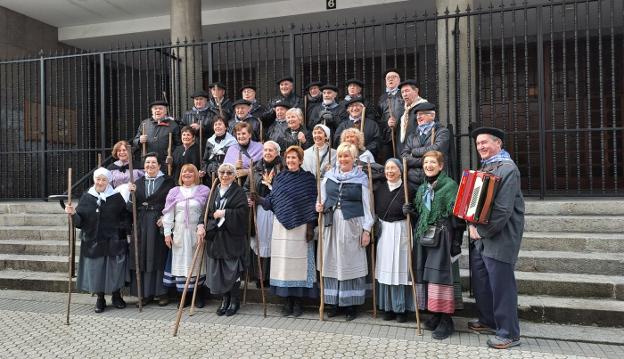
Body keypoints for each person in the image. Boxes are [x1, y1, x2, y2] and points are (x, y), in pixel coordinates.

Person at [467, 127, 525, 349]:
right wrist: (471, 223)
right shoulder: (487, 166)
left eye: (485, 142)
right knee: (482, 282)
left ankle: (509, 333)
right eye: (478, 143)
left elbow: (502, 210)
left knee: (502, 286)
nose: (480, 146)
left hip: (499, 236)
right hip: (481, 235)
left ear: (498, 143)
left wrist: (481, 231)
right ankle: (489, 321)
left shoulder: (508, 168)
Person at [404, 150, 463, 340]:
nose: (428, 166)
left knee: (441, 276)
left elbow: (457, 216)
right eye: (426, 163)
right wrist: (411, 211)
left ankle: (447, 320)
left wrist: (457, 241)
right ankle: (435, 314)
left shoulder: (449, 186)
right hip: (424, 237)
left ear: (441, 166)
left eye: (432, 162)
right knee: (427, 274)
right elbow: (422, 214)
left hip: (443, 237)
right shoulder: (422, 189)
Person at [253, 146, 318, 317]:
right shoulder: (280, 178)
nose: (290, 161)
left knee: (298, 265)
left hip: (302, 227)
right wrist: (258, 199)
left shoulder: (308, 179)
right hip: (281, 228)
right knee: (284, 266)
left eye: (294, 158)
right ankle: (286, 302)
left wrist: (311, 226)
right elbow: (272, 203)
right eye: (288, 158)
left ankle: (298, 303)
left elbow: (312, 203)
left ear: (301, 160)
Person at [316, 142, 373, 321]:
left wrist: (367, 230)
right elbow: (322, 199)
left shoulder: (361, 178)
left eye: (346, 156)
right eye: (340, 156)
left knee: (349, 263)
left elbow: (367, 207)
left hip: (352, 224)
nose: (342, 159)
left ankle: (350, 305)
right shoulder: (329, 176)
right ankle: (334, 303)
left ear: (354, 158)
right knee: (332, 261)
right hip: (331, 224)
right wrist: (318, 205)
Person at [64, 168, 129, 313]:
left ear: (108, 181)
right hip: (93, 241)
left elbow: (125, 217)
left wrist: (122, 232)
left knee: (114, 270)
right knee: (97, 270)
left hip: (114, 241)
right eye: (98, 179)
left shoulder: (116, 197)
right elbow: (79, 222)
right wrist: (73, 213)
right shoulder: (87, 197)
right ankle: (100, 298)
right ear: (94, 180)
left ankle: (116, 295)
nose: (100, 182)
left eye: (103, 179)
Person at [197, 162, 249, 317]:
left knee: (231, 271)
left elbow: (243, 213)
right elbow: (206, 211)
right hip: (216, 237)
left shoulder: (238, 192)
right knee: (219, 271)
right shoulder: (214, 191)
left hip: (231, 238)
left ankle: (234, 300)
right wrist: (200, 225)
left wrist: (225, 212)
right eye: (222, 172)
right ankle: (224, 299)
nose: (225, 175)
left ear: (234, 176)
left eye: (229, 173)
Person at [127, 152, 176, 306]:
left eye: (153, 163)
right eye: (147, 163)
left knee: (158, 255)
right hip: (141, 222)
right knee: (142, 256)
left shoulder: (168, 182)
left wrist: (166, 217)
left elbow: (173, 203)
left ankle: (161, 293)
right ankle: (145, 294)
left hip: (158, 222)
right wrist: (131, 194)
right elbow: (130, 207)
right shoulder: (137, 182)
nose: (150, 165)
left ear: (159, 165)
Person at [162, 164, 210, 308]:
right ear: (180, 175)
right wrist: (167, 233)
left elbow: (208, 212)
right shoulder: (174, 191)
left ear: (196, 174)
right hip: (180, 232)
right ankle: (183, 297)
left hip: (197, 232)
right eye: (184, 172)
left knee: (197, 263)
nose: (187, 174)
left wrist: (203, 227)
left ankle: (198, 295)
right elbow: (169, 214)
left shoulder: (204, 190)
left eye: (190, 172)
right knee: (181, 263)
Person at [374, 159, 413, 323]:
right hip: (384, 231)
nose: (390, 171)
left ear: (400, 170)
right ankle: (387, 307)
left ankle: (401, 308)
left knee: (400, 267)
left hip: (401, 229)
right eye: (387, 168)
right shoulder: (380, 189)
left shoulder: (408, 189)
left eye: (393, 168)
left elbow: (416, 211)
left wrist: (410, 210)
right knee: (385, 268)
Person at [243, 141, 284, 288]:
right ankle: (261, 277)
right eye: (265, 150)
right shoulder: (255, 169)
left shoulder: (283, 168)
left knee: (277, 243)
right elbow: (246, 188)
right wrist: (250, 196)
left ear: (277, 152)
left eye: (271, 150)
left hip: (278, 211)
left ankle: (275, 276)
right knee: (260, 242)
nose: (267, 152)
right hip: (260, 211)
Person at [400, 102, 450, 191]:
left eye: (422, 114)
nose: (418, 117)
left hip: (434, 181)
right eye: (417, 115)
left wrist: (414, 152)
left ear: (432, 116)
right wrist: (425, 161)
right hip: (412, 182)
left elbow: (437, 149)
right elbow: (404, 156)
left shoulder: (442, 132)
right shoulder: (412, 136)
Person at [391, 80, 428, 156]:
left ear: (416, 91)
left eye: (407, 91)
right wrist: (393, 125)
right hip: (403, 152)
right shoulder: (403, 110)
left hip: (416, 153)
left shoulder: (424, 107)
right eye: (402, 92)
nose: (404, 94)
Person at [376, 69, 404, 161]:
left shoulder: (403, 94)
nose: (390, 79)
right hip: (387, 136)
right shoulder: (382, 97)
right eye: (388, 78)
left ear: (399, 80)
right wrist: (386, 123)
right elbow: (378, 117)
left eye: (394, 77)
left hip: (402, 134)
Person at [201, 116, 237, 181]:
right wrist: (204, 170)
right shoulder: (209, 141)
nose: (217, 126)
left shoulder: (233, 142)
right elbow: (205, 159)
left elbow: (234, 161)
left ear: (226, 127)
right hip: (210, 174)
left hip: (226, 175)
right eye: (215, 124)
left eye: (220, 124)